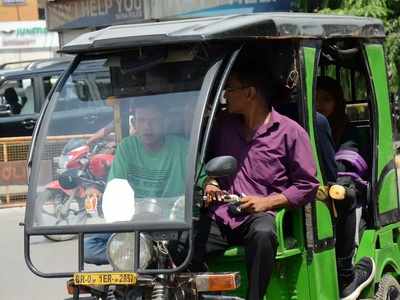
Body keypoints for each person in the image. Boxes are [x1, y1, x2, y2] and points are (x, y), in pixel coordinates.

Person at [195, 61, 320, 300]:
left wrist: (266, 203)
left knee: (263, 233)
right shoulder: (223, 127)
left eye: (230, 90)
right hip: (222, 215)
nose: (226, 96)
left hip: (259, 216)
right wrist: (211, 182)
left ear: (250, 93)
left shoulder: (290, 132)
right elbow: (207, 165)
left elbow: (307, 185)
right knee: (182, 241)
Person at [84, 100, 188, 265]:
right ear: (134, 123)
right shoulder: (126, 147)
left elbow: (204, 179)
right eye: (142, 121)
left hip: (169, 224)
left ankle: (142, 254)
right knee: (87, 247)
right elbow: (116, 185)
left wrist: (211, 185)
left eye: (154, 121)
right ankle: (142, 254)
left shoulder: (182, 148)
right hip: (134, 224)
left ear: (164, 123)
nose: (148, 127)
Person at [316, 76, 375, 300]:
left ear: (338, 102)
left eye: (326, 100)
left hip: (348, 190)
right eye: (316, 100)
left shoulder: (351, 133)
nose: (320, 105)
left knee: (343, 194)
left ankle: (345, 274)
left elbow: (344, 168)